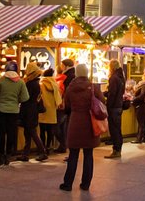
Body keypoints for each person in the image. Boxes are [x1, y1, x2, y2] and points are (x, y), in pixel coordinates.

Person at [60, 64, 105, 192]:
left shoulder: (70, 87)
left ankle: (67, 184)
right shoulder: (93, 87)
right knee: (88, 154)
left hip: (75, 122)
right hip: (89, 123)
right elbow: (102, 100)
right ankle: (85, 184)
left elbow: (67, 105)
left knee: (73, 154)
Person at [0, 60, 29, 166]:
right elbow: (25, 97)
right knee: (11, 133)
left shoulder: (1, 81)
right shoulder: (20, 82)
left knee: (2, 133)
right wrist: (17, 100)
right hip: (14, 111)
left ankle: (1, 156)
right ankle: (8, 156)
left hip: (1, 111)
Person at [17, 62, 48, 162]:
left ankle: (42, 152)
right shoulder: (36, 83)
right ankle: (25, 154)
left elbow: (25, 98)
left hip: (28, 111)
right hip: (32, 110)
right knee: (29, 132)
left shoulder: (30, 84)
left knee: (31, 132)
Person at [103, 59, 124, 159]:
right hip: (119, 106)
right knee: (117, 129)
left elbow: (112, 94)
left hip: (114, 107)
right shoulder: (120, 77)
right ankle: (118, 149)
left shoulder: (114, 78)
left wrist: (108, 106)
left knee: (114, 129)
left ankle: (116, 150)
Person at [39, 68, 61, 153]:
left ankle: (42, 147)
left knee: (42, 130)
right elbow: (58, 97)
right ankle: (49, 147)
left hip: (43, 109)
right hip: (52, 109)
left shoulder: (41, 84)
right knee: (50, 130)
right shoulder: (55, 84)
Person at [55, 59, 75, 154]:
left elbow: (66, 90)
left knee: (58, 126)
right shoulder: (73, 74)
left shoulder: (67, 76)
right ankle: (63, 145)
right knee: (64, 126)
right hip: (70, 105)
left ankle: (63, 144)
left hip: (65, 105)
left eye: (62, 65)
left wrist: (63, 101)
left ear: (65, 66)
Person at [131, 69, 145, 143]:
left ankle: (139, 138)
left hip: (141, 105)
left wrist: (134, 100)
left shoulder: (143, 84)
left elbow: (142, 96)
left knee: (141, 122)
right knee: (144, 122)